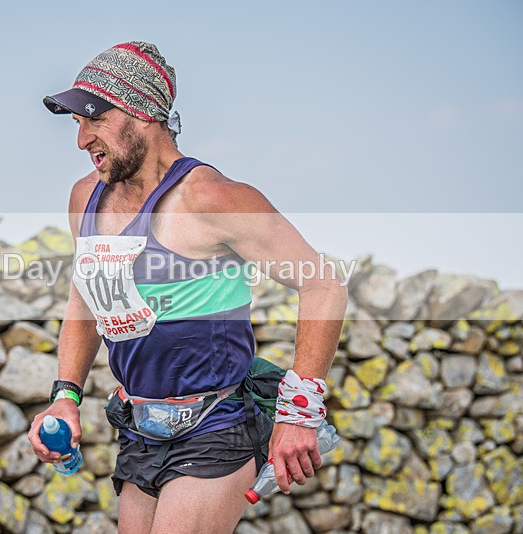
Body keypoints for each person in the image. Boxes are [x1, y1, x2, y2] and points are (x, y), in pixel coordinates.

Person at [28, 41, 348, 534]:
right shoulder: (84, 197)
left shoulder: (213, 199)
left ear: (143, 113)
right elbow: (85, 300)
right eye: (77, 122)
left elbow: (323, 285)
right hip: (139, 427)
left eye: (95, 119)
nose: (82, 139)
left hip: (216, 425)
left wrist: (299, 412)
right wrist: (65, 395)